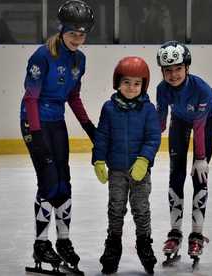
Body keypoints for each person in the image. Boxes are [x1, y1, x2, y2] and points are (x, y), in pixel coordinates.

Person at [20, 0, 96, 273]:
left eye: (83, 33)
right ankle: (41, 243)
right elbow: (31, 99)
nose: (78, 38)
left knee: (64, 183)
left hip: (56, 122)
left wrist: (89, 128)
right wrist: (36, 135)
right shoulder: (42, 56)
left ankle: (63, 241)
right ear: (61, 30)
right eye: (73, 32)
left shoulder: (80, 60)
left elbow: (73, 97)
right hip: (35, 122)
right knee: (49, 182)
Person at [92, 57, 161, 274]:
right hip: (117, 171)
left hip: (140, 171)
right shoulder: (109, 108)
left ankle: (144, 243)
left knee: (141, 208)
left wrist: (144, 159)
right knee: (116, 208)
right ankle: (113, 245)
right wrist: (98, 159)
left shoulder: (149, 110)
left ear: (144, 85)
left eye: (137, 83)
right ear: (117, 82)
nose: (132, 88)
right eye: (127, 82)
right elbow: (102, 135)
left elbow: (153, 137)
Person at [155, 41, 212, 265]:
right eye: (168, 70)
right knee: (176, 176)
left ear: (187, 68)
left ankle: (197, 234)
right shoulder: (162, 89)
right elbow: (160, 123)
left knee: (199, 177)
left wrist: (200, 158)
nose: (173, 75)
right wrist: (146, 145)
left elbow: (200, 126)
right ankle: (175, 233)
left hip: (205, 121)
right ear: (162, 71)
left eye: (178, 69)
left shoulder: (201, 89)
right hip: (180, 121)